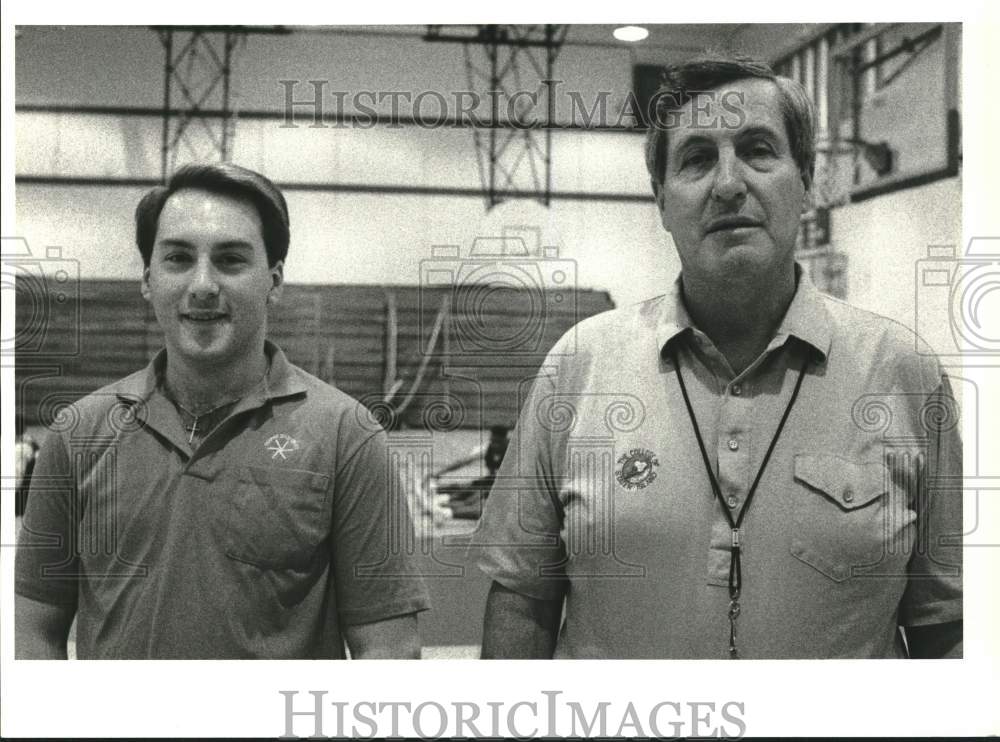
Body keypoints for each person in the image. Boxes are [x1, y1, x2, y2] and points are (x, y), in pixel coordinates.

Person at [476, 56, 963, 659]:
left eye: (758, 149)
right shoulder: (579, 369)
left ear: (806, 181)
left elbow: (949, 623)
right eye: (698, 158)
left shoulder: (903, 374)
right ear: (661, 200)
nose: (729, 183)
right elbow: (522, 602)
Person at [16, 163, 430, 659]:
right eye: (178, 258)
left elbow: (387, 649)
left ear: (274, 281)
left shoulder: (348, 436)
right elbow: (33, 633)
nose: (203, 284)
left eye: (231, 260)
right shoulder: (78, 435)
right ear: (148, 278)